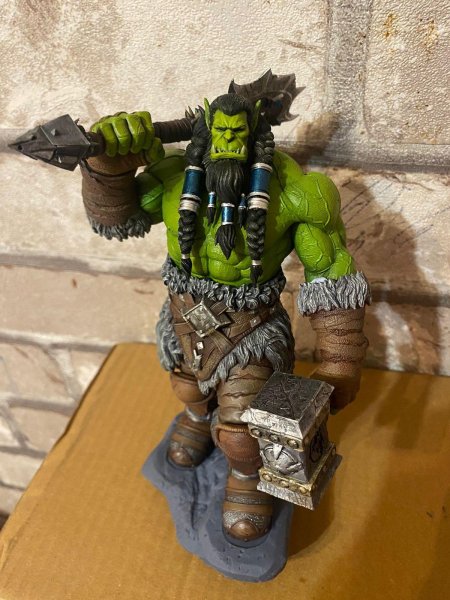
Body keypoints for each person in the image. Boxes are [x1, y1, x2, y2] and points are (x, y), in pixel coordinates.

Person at [80, 92, 369, 542]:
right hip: (183, 313)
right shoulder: (176, 176)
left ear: (258, 133)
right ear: (206, 131)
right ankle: (197, 419)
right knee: (186, 385)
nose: (230, 142)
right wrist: (108, 169)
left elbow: (330, 270)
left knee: (241, 429)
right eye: (221, 133)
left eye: (238, 133)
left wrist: (341, 359)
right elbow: (116, 221)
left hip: (252, 329)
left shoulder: (300, 192)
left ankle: (247, 477)